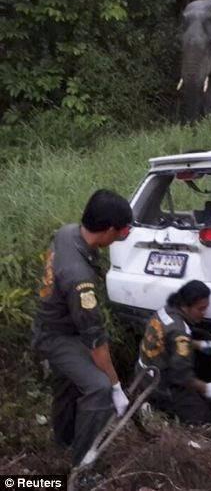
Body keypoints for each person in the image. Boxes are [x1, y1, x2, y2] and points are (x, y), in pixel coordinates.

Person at [32, 189, 133, 466]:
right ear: (109, 229)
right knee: (98, 387)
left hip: (53, 323)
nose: (123, 236)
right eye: (123, 231)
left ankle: (64, 439)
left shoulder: (68, 233)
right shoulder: (80, 280)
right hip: (57, 336)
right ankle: (83, 463)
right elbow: (95, 341)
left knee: (69, 383)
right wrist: (115, 386)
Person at [136, 280, 211, 424]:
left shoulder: (165, 311)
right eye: (201, 309)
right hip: (160, 385)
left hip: (142, 373)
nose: (204, 313)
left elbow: (167, 340)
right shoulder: (181, 332)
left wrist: (199, 345)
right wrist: (208, 389)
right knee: (205, 418)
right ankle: (156, 408)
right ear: (186, 306)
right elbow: (181, 376)